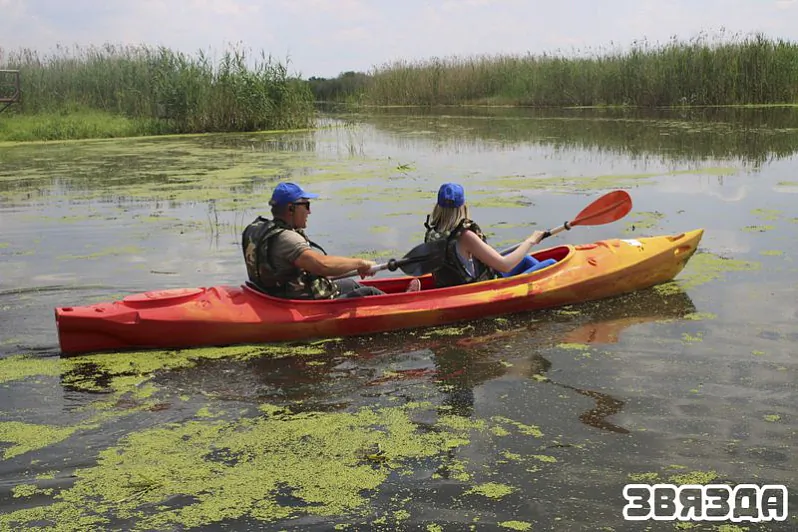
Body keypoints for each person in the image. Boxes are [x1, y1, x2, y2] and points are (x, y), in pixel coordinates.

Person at [242, 182, 400, 300]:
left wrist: (354, 269)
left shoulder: (257, 230)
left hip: (275, 294)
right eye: (306, 205)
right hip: (301, 302)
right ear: (291, 208)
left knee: (352, 284)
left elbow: (311, 270)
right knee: (370, 292)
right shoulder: (287, 239)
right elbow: (322, 265)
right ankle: (403, 309)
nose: (309, 211)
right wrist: (360, 263)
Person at [423, 182, 547, 288]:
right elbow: (505, 265)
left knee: (526, 259)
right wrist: (531, 240)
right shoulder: (465, 236)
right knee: (551, 264)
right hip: (478, 291)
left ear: (438, 207)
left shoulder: (432, 233)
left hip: (451, 287)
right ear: (463, 206)